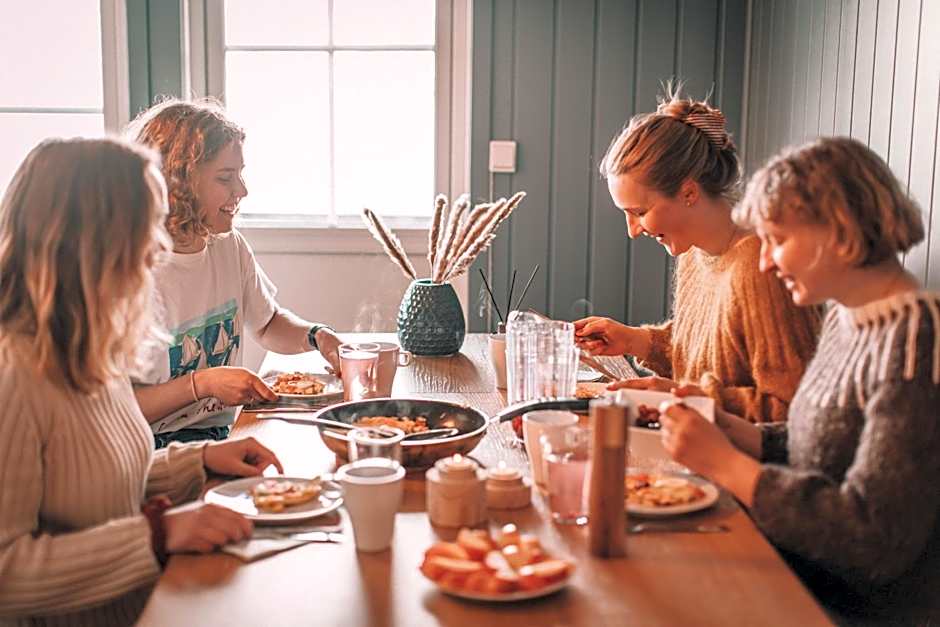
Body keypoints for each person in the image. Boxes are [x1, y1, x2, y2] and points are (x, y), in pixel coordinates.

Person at [0, 138, 282, 625]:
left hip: (144, 605)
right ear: (86, 241)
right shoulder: (14, 377)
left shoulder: (89, 347)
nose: (157, 247)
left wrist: (201, 459)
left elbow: (99, 482)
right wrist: (157, 534)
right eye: (146, 227)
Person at [659, 136, 940, 617]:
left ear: (840, 228)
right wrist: (738, 433)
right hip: (795, 570)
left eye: (778, 240)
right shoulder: (847, 315)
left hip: (847, 607)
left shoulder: (915, 341)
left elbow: (876, 538)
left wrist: (727, 465)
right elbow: (825, 445)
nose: (764, 260)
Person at [575, 89, 822, 423]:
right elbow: (706, 357)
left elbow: (795, 413)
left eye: (640, 212)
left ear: (689, 192)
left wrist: (689, 400)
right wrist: (635, 340)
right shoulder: (694, 253)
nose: (632, 230)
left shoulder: (762, 268)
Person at [128, 98, 343, 447]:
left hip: (220, 433)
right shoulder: (130, 274)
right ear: (177, 183)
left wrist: (318, 337)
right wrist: (203, 384)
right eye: (225, 178)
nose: (242, 191)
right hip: (150, 447)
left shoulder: (228, 245)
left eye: (239, 174)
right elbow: (117, 409)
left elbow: (268, 323)